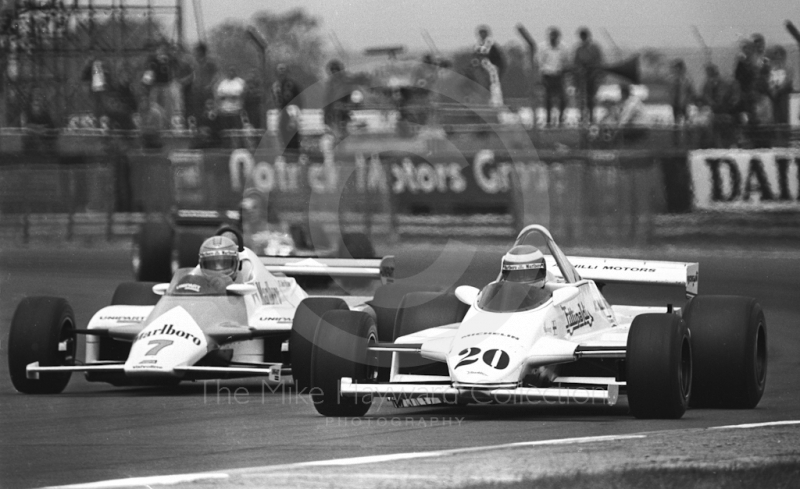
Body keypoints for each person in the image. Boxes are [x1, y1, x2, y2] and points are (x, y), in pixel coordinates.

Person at [478, 245, 550, 313]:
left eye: (529, 274)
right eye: (516, 276)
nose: (522, 281)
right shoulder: (494, 296)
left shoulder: (553, 297)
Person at [538, 27, 570, 126]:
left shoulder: (563, 47)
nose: (553, 38)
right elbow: (540, 62)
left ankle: (561, 119)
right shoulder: (543, 47)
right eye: (551, 36)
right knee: (548, 99)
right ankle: (548, 120)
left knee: (563, 99)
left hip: (559, 75)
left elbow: (566, 61)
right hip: (547, 75)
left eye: (555, 36)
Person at [699, 64, 735, 147]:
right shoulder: (707, 84)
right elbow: (705, 95)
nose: (707, 75)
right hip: (714, 113)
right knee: (715, 133)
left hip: (723, 112)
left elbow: (725, 96)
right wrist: (709, 103)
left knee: (723, 133)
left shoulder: (723, 83)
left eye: (708, 72)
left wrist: (717, 104)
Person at [573, 27, 604, 123]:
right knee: (581, 99)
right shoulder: (578, 49)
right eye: (582, 36)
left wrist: (596, 75)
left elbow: (599, 62)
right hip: (582, 78)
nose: (583, 38)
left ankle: (591, 118)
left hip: (592, 77)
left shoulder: (594, 48)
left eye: (584, 35)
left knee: (591, 99)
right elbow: (576, 63)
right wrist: (579, 71)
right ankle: (582, 117)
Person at [271, 63, 303, 152]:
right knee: (283, 137)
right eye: (279, 70)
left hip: (292, 113)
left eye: (283, 70)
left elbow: (299, 100)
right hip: (282, 113)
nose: (281, 72)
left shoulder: (293, 84)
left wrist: (295, 115)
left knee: (293, 137)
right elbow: (275, 101)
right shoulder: (275, 86)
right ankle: (286, 157)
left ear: (287, 72)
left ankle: (295, 156)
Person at [473, 25, 506, 106]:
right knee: (484, 85)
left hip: (494, 68)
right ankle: (486, 101)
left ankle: (496, 102)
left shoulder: (490, 44)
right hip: (484, 68)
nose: (482, 35)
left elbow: (487, 54)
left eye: (484, 33)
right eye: (481, 33)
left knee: (494, 85)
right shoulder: (478, 44)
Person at [214, 66, 247, 145]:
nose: (231, 72)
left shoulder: (240, 82)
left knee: (237, 132)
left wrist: (228, 96)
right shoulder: (223, 83)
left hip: (236, 112)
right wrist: (230, 95)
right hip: (225, 112)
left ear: (235, 72)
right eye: (229, 71)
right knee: (225, 132)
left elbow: (240, 95)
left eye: (233, 71)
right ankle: (226, 146)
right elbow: (219, 96)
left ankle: (238, 146)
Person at [670, 59, 695, 125]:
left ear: (680, 68)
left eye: (676, 68)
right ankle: (676, 134)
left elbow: (691, 91)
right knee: (676, 123)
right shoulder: (673, 79)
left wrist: (687, 101)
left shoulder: (687, 79)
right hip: (675, 104)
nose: (675, 70)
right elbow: (670, 91)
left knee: (686, 122)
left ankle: (687, 134)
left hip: (684, 104)